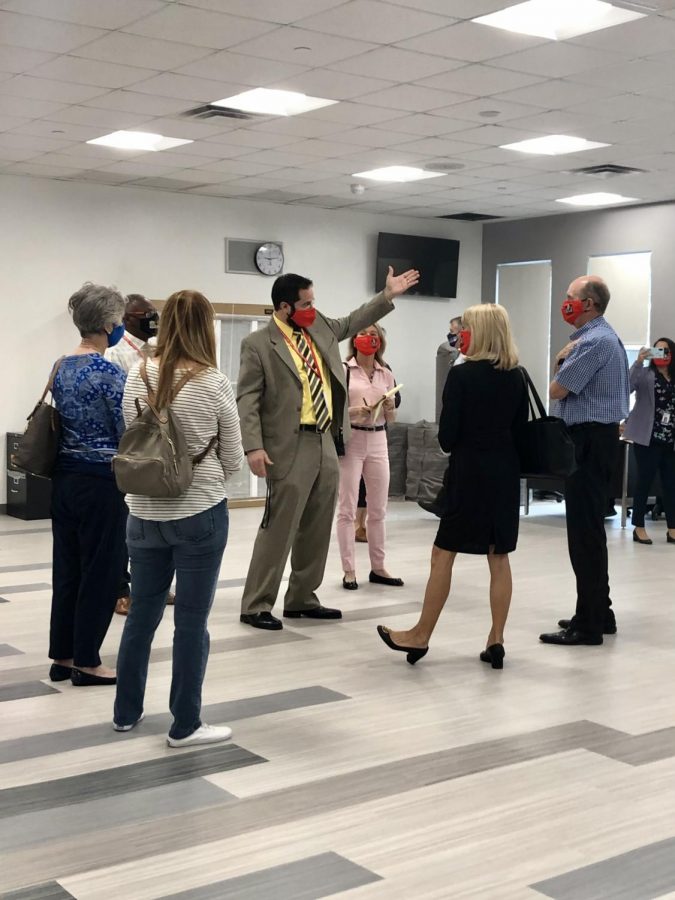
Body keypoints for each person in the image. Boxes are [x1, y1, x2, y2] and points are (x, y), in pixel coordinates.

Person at [237, 266, 419, 630]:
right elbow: (248, 397)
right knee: (279, 525)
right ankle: (256, 603)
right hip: (288, 443)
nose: (312, 308)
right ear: (285, 307)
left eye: (313, 301)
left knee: (317, 524)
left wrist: (387, 297)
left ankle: (303, 598)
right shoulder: (259, 344)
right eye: (306, 303)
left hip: (326, 438)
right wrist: (253, 447)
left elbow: (353, 321)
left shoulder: (318, 325)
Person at [113, 290, 243, 746]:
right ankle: (185, 724)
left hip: (142, 513)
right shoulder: (213, 381)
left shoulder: (136, 374)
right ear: (206, 328)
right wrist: (203, 479)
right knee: (191, 620)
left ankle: (126, 712)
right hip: (199, 513)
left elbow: (127, 437)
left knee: (141, 615)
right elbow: (233, 456)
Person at [377, 304, 527, 669]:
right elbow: (520, 431)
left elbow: (447, 437)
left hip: (468, 475)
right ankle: (496, 639)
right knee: (498, 556)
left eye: (465, 329)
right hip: (505, 477)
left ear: (479, 333)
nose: (460, 335)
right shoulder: (517, 376)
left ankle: (421, 634)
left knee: (443, 553)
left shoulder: (462, 377)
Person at [540, 275, 630, 647]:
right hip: (597, 439)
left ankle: (588, 625)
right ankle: (598, 611)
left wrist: (561, 360)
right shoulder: (602, 337)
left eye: (569, 297)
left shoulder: (593, 341)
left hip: (589, 442)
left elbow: (558, 388)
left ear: (588, 304)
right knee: (590, 531)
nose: (565, 303)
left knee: (584, 534)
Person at [48, 283, 129, 687]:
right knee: (102, 570)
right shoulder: (109, 372)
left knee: (68, 569)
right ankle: (87, 661)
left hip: (63, 479)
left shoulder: (61, 366)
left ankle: (62, 657)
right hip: (101, 481)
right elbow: (125, 430)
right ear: (109, 324)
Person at [105, 293, 161, 615]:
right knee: (124, 525)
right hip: (128, 448)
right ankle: (120, 589)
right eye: (145, 315)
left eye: (154, 314)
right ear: (127, 319)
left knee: (151, 520)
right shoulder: (116, 356)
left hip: (157, 448)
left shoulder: (158, 352)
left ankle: (152, 585)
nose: (152, 320)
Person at [337, 323, 402, 591]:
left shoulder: (386, 373)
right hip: (352, 438)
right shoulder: (344, 369)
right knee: (347, 508)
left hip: (378, 439)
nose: (369, 338)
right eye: (363, 333)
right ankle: (349, 570)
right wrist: (354, 412)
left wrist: (389, 408)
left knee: (378, 509)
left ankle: (378, 567)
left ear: (380, 341)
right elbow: (333, 410)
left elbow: (392, 419)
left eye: (374, 334)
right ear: (354, 340)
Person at [623, 337, 675, 545]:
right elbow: (626, 387)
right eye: (657, 350)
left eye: (665, 351)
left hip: (670, 439)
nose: (661, 354)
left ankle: (672, 527)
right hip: (647, 438)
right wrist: (638, 362)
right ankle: (639, 527)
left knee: (671, 484)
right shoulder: (645, 374)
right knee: (644, 481)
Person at [105, 293, 159, 373]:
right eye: (148, 314)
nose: (155, 318)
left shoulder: (157, 345)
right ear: (127, 319)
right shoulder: (115, 353)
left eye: (155, 313)